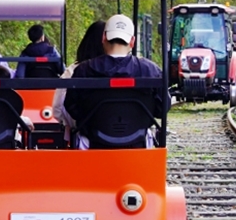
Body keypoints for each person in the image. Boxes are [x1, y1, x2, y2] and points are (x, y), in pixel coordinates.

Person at [61, 14, 163, 148]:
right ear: (132, 41)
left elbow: (71, 106)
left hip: (92, 143)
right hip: (139, 143)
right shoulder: (150, 70)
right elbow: (161, 108)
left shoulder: (84, 70)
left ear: (104, 38)